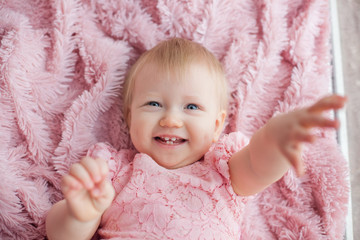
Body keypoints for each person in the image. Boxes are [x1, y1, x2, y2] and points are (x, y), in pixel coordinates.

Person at [46, 38, 346, 240]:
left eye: (191, 107)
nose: (171, 119)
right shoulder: (113, 172)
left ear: (217, 126)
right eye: (153, 104)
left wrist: (275, 137)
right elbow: (58, 235)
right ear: (129, 116)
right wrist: (79, 213)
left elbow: (258, 163)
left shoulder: (223, 169)